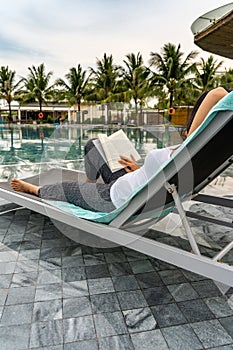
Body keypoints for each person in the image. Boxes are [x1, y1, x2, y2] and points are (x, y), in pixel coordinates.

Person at [11, 87, 230, 212]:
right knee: (94, 145)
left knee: (66, 188)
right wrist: (139, 169)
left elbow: (218, 93)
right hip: (130, 179)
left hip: (114, 197)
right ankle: (90, 184)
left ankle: (35, 190)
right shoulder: (190, 152)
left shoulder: (190, 147)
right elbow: (161, 174)